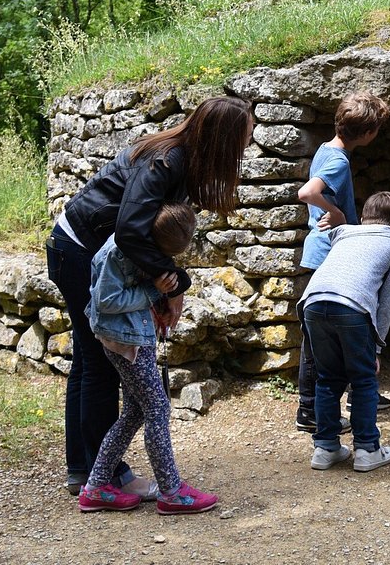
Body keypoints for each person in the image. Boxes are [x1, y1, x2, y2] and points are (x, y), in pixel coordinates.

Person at [45, 95, 253, 498]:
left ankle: (85, 470)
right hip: (78, 251)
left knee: (90, 362)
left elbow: (138, 237)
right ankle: (106, 476)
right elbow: (130, 231)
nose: (246, 147)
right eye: (243, 138)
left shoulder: (180, 159)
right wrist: (171, 282)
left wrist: (166, 286)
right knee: (100, 364)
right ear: (223, 140)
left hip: (88, 252)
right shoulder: (165, 161)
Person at [78, 203, 218, 514]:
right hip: (124, 341)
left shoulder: (139, 239)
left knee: (134, 412)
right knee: (157, 407)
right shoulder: (119, 252)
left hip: (131, 336)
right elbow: (106, 301)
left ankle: (97, 486)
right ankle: (171, 491)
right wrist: (153, 292)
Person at [294, 92, 390, 433]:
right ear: (368, 133)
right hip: (328, 255)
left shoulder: (325, 149)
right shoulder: (339, 161)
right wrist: (335, 213)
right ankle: (309, 409)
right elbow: (307, 193)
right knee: (322, 338)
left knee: (323, 333)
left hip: (322, 253)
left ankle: (356, 393)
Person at [300, 191, 390, 472]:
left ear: (363, 218)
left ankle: (325, 448)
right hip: (352, 307)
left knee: (327, 378)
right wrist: (376, 347)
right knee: (363, 379)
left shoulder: (344, 233)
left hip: (312, 303)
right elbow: (387, 302)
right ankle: (367, 449)